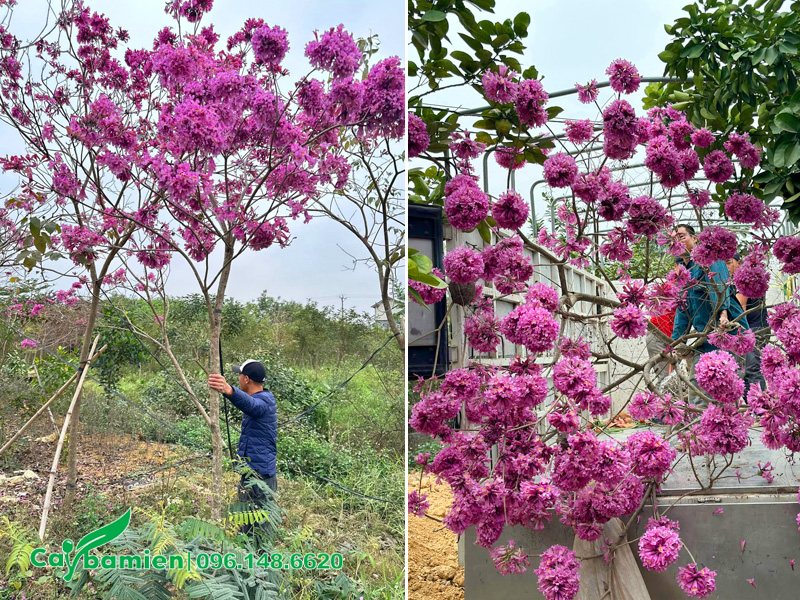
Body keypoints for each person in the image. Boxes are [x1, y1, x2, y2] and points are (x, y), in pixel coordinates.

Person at [670, 224, 749, 406]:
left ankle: (725, 422)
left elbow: (720, 288)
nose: (677, 242)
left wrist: (723, 314)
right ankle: (705, 423)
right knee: (699, 391)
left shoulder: (709, 259)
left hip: (727, 334)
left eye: (681, 237)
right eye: (673, 240)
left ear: (694, 238)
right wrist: (677, 341)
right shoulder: (683, 271)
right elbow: (682, 309)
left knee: (725, 390)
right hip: (705, 338)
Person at [208, 359, 277, 538]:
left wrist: (229, 390)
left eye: (239, 375)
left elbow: (253, 406)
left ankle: (260, 556)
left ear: (246, 379)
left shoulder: (264, 401)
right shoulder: (260, 398)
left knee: (258, 530)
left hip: (260, 477)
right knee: (246, 525)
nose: (238, 378)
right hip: (251, 473)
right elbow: (250, 404)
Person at [725, 253, 768, 396]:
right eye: (723, 264)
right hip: (752, 329)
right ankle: (754, 401)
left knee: (751, 368)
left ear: (739, 263)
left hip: (753, 329)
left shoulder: (742, 281)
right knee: (746, 369)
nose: (726, 267)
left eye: (729, 262)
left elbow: (740, 310)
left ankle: (760, 402)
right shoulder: (736, 281)